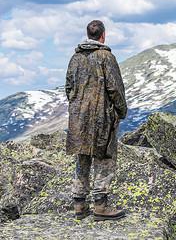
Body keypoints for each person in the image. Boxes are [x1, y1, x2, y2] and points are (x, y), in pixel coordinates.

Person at [65, 20, 127, 221]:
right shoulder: (106, 57)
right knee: (104, 158)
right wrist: (121, 110)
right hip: (102, 117)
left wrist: (77, 107)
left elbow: (68, 87)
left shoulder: (75, 58)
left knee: (82, 158)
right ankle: (100, 206)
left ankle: (79, 205)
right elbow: (115, 88)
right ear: (103, 35)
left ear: (88, 35)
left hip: (78, 117)